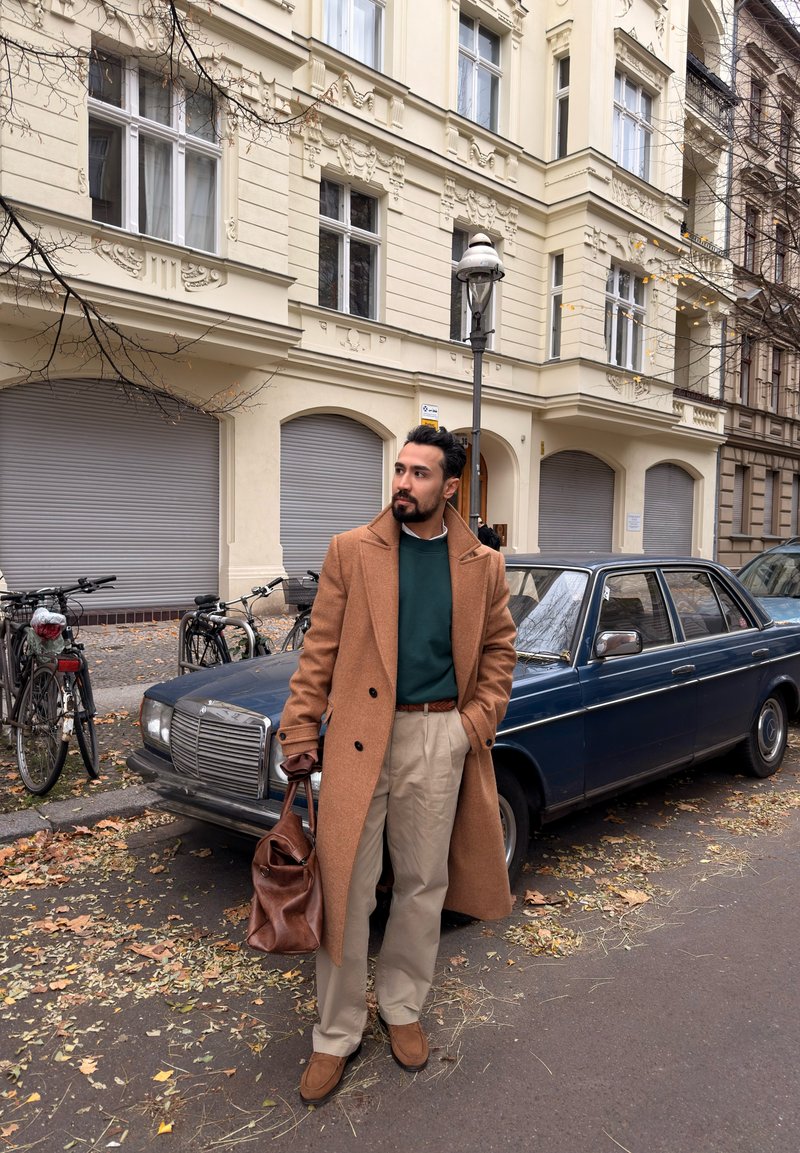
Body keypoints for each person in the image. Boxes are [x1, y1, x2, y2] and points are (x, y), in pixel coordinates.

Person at [276, 424, 517, 1106]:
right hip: (357, 737)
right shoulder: (353, 551)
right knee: (347, 878)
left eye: (418, 473)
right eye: (400, 469)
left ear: (449, 486)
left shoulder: (483, 564)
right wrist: (300, 726)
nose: (403, 482)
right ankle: (336, 1030)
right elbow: (318, 649)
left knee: (421, 882)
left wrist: (471, 727)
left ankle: (403, 1005)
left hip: (437, 735)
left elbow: (500, 652)